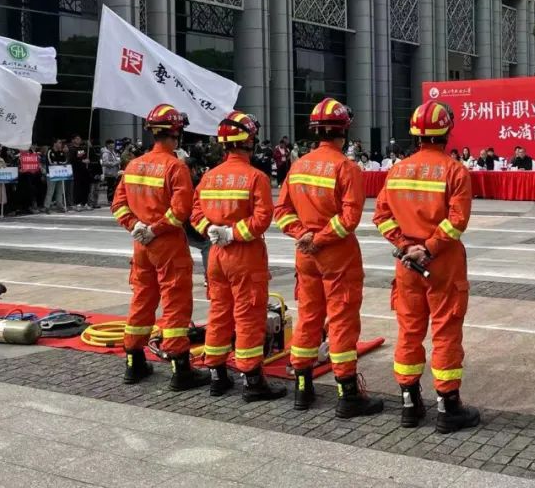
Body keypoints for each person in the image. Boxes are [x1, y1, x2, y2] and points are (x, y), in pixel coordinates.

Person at [372, 100, 480, 433]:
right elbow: (456, 222)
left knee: (409, 331)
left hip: (407, 266)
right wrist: (429, 248)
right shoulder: (455, 170)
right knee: (445, 331)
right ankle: (448, 408)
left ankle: (409, 403)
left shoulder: (397, 170)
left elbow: (381, 217)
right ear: (447, 131)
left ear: (416, 134)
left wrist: (407, 247)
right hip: (442, 263)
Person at [273, 98, 383, 418]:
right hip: (336, 255)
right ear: (343, 132)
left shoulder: (298, 165)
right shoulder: (346, 168)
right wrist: (320, 238)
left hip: (305, 255)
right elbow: (349, 219)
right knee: (342, 321)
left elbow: (282, 212)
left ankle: (303, 389)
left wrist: (302, 236)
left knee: (308, 317)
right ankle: (347, 394)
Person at [111, 104, 209, 391]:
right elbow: (181, 211)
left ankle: (134, 361)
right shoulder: (175, 167)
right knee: (176, 303)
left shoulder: (133, 165)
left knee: (142, 299)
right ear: (176, 132)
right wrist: (155, 228)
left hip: (142, 246)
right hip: (167, 244)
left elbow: (117, 205)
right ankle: (181, 368)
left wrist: (136, 227)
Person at [191, 111, 285, 401]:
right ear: (249, 141)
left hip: (216, 256)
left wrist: (212, 230)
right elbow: (262, 219)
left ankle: (217, 375)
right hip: (244, 256)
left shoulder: (209, 177)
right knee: (248, 316)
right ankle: (252, 380)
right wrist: (233, 233)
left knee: (219, 313)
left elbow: (194, 212)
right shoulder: (255, 177)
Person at [44, 140, 68, 212]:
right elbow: (51, 162)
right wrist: (59, 163)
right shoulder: (50, 151)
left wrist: (58, 163)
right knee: (50, 191)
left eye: (61, 143)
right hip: (51, 174)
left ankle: (59, 206)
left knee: (60, 191)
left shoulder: (61, 152)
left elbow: (65, 161)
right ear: (55, 143)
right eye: (59, 143)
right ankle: (47, 207)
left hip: (59, 173)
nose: (61, 144)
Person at [100, 139, 121, 206]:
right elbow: (105, 163)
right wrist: (116, 163)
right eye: (111, 144)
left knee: (114, 187)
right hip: (110, 173)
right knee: (110, 188)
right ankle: (110, 200)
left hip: (114, 173)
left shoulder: (113, 152)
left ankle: (113, 200)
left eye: (113, 143)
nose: (113, 145)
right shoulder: (106, 153)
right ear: (108, 145)